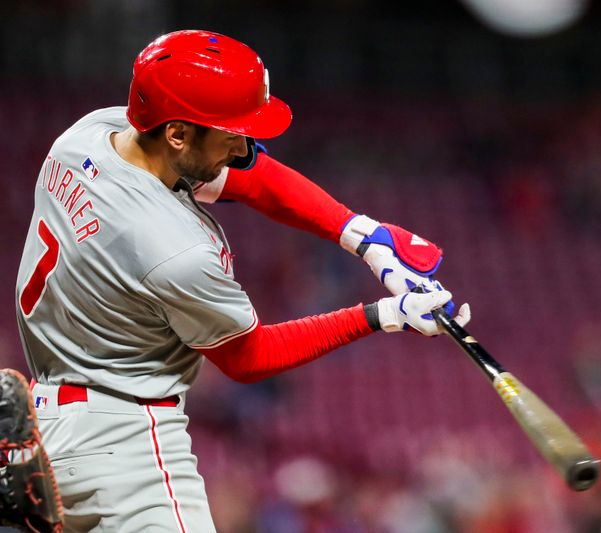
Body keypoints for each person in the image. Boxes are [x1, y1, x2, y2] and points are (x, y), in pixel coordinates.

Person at [14, 29, 469, 532]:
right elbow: (250, 357)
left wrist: (363, 235)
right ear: (178, 134)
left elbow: (252, 177)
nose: (244, 143)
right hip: (127, 444)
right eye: (229, 130)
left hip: (47, 420)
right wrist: (382, 316)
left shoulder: (87, 138)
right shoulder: (173, 248)